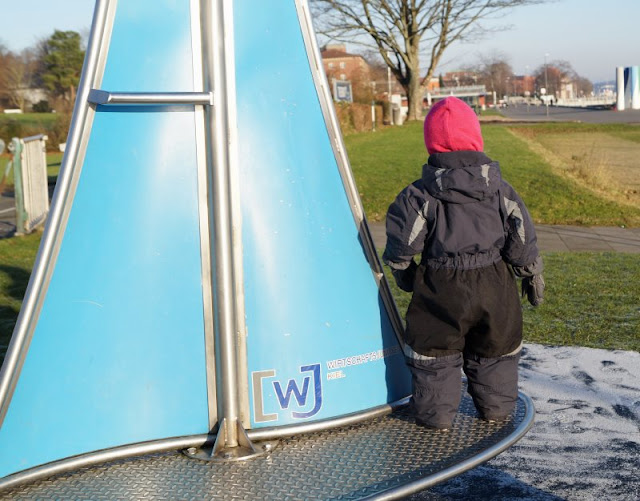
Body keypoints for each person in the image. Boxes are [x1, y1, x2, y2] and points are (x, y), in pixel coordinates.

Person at [383, 97, 544, 430]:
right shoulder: (501, 190)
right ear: (476, 140)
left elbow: (402, 239)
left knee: (434, 355)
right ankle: (497, 409)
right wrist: (531, 271)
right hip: (494, 283)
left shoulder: (419, 195)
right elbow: (520, 233)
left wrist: (403, 269)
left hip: (442, 287)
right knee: (496, 351)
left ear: (433, 145)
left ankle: (436, 416)